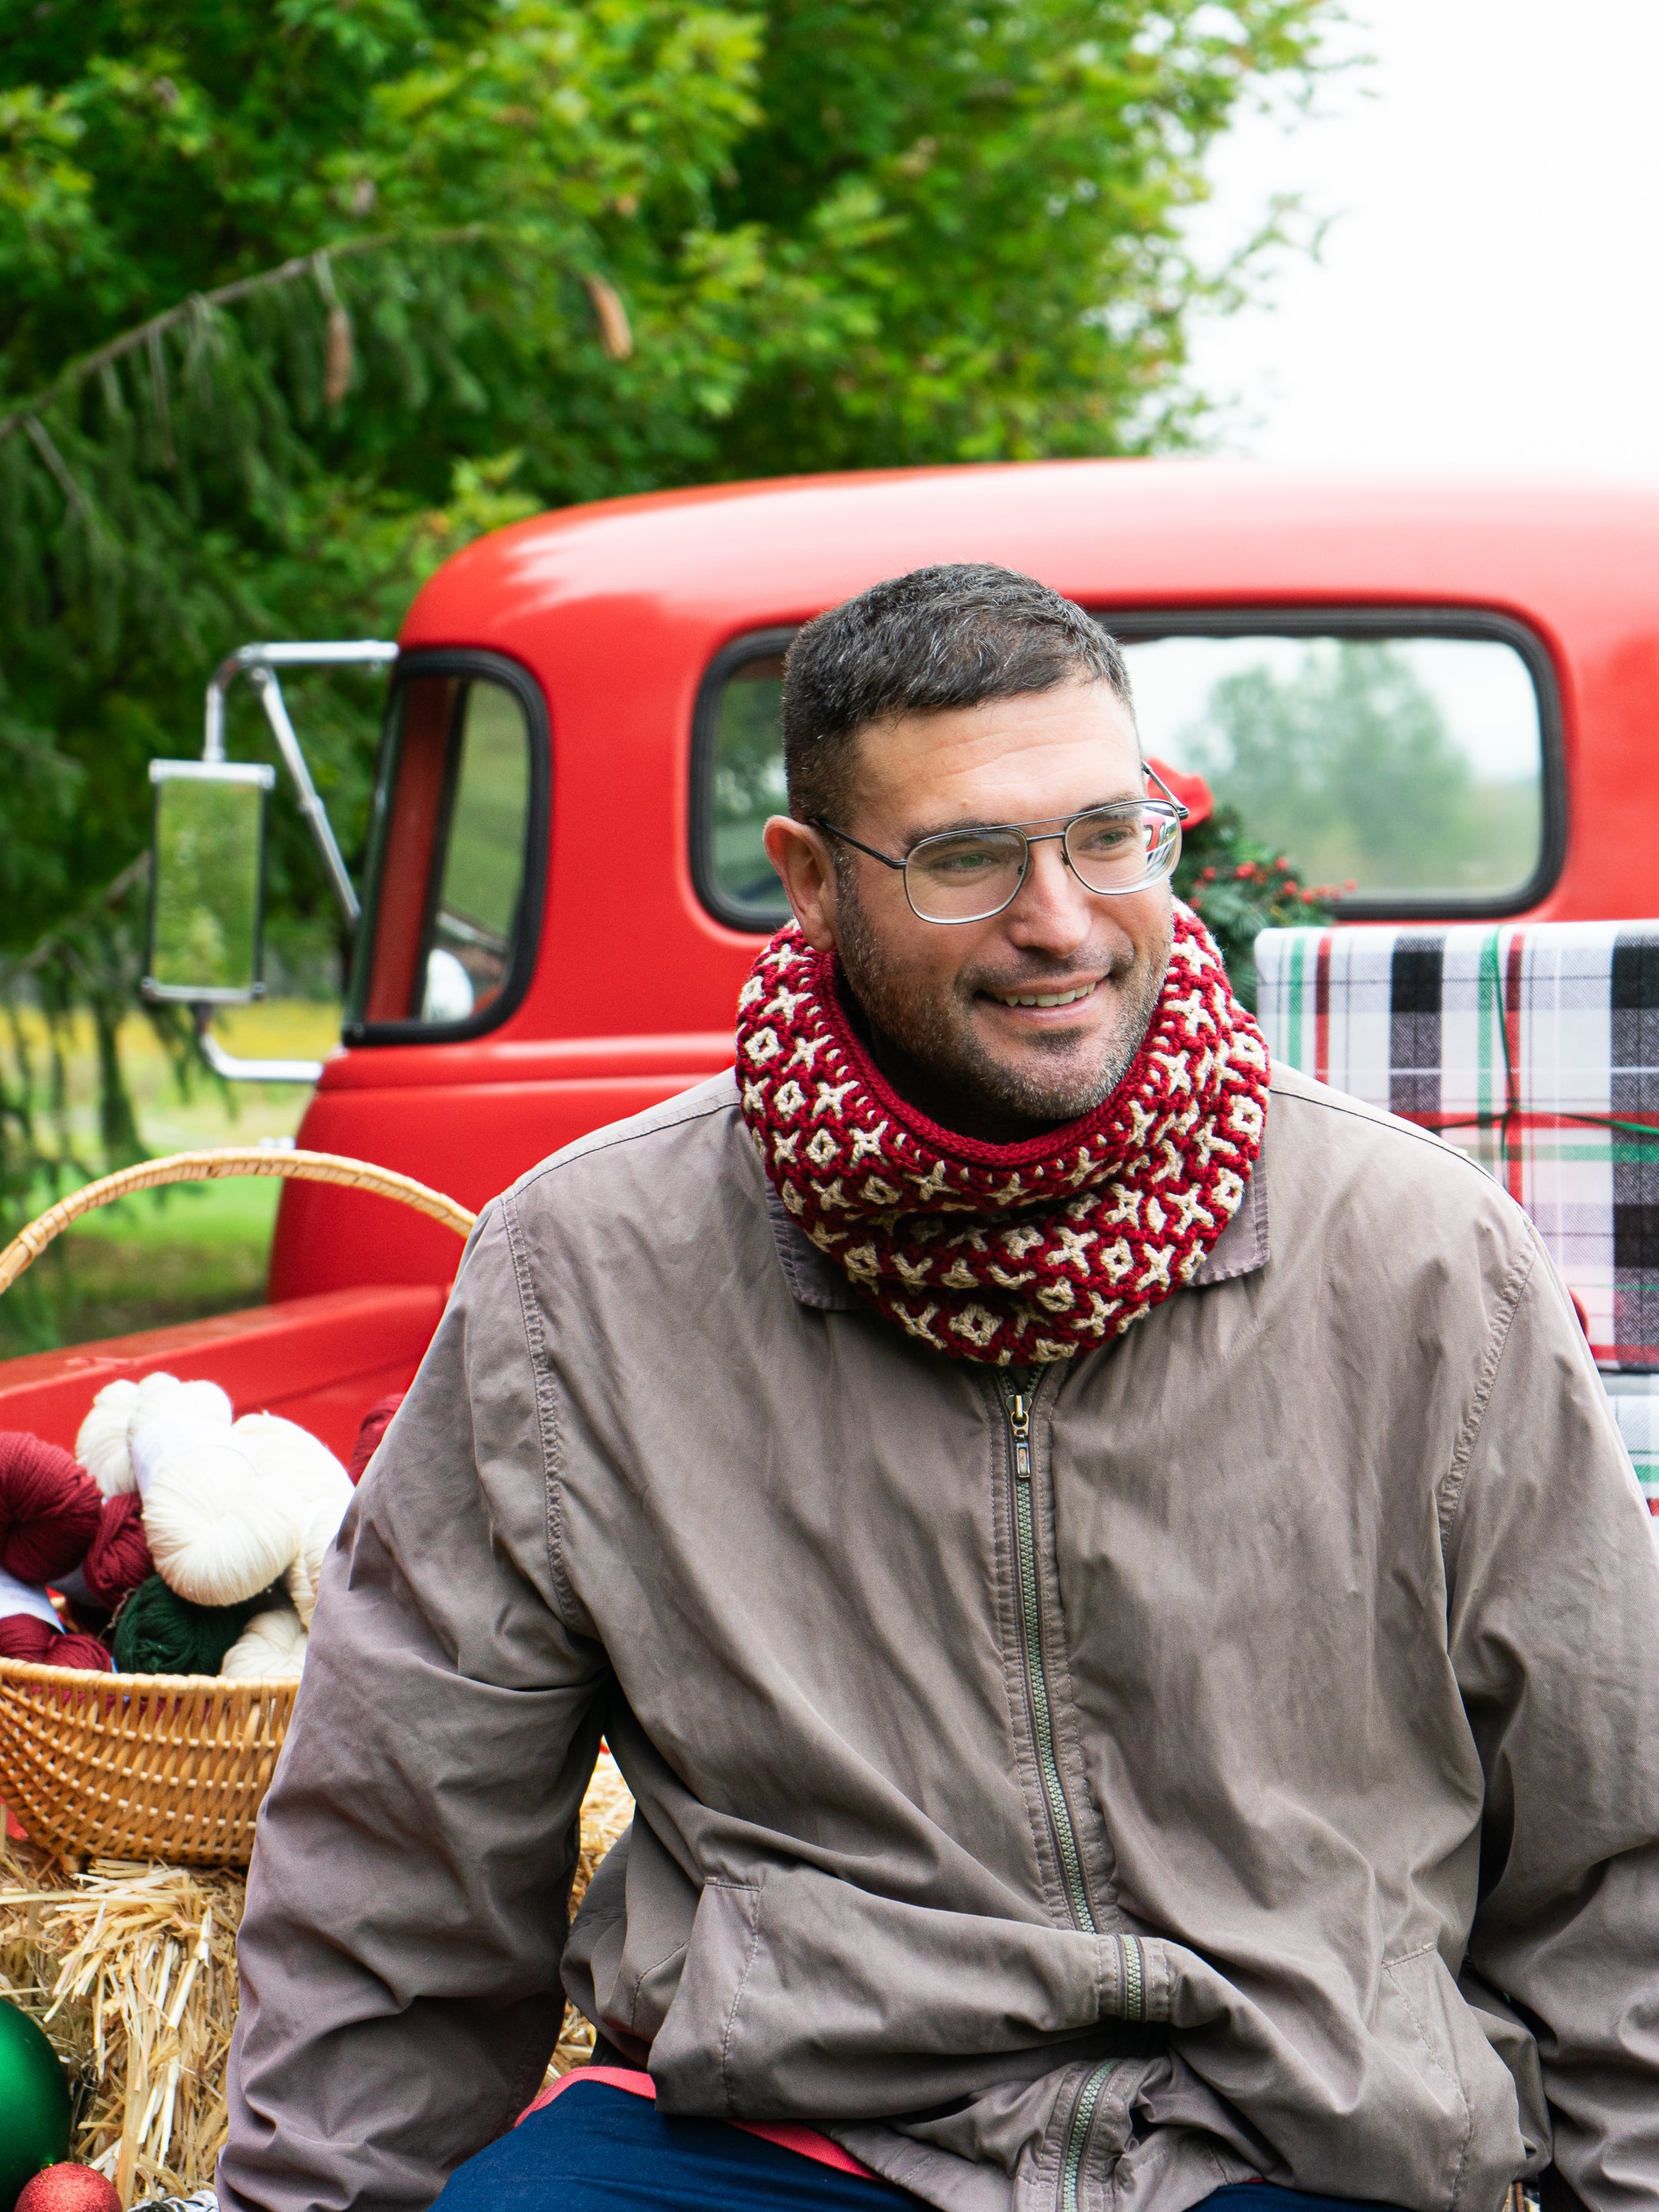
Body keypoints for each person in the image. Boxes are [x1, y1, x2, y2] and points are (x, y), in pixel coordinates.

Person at [219, 566, 1659, 2212]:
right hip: (782, 2135)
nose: (1062, 918)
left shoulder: (1419, 1261)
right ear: (814, 885)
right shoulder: (586, 1276)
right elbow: (406, 1845)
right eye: (969, 858)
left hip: (1302, 2142)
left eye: (1109, 836)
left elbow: (1619, 1847)